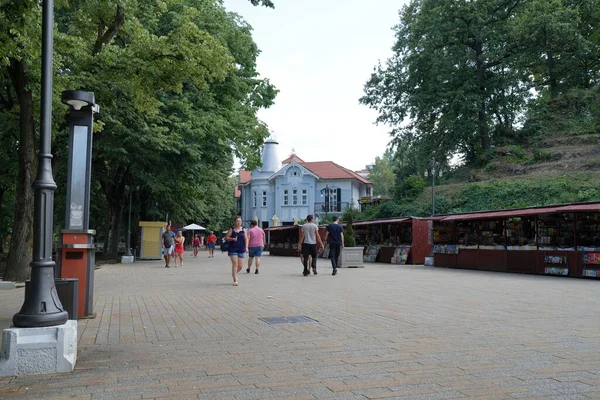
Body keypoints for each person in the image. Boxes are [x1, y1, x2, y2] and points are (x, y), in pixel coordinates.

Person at [225, 216, 248, 286]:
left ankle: (234, 273)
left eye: (240, 221)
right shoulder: (232, 229)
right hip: (233, 249)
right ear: (235, 222)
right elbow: (226, 238)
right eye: (237, 221)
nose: (239, 222)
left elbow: (246, 239)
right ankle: (235, 280)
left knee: (240, 266)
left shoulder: (244, 230)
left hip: (241, 249)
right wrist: (232, 239)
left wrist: (246, 247)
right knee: (235, 264)